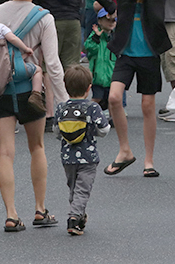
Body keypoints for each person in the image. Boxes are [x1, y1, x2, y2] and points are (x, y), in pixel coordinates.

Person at [0, 0, 69, 230]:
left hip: (0, 90)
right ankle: (40, 209)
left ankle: (11, 214)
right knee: (36, 147)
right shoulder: (44, 18)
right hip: (30, 91)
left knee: (5, 152)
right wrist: (64, 102)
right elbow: (53, 64)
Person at [105, 0, 172, 178]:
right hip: (126, 53)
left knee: (147, 106)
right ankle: (125, 150)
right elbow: (107, 2)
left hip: (149, 54)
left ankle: (149, 160)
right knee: (113, 97)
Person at [55, 64, 110, 236]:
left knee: (74, 188)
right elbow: (104, 130)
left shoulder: (61, 108)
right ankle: (74, 217)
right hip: (88, 157)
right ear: (89, 88)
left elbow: (57, 132)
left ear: (65, 87)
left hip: (67, 157)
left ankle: (79, 215)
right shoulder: (92, 108)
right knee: (83, 189)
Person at [83, 9, 118, 110]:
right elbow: (90, 48)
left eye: (113, 21)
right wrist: (96, 37)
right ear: (99, 21)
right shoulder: (95, 36)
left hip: (111, 77)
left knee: (111, 100)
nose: (111, 23)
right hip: (97, 77)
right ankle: (87, 113)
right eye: (107, 20)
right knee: (97, 98)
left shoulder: (115, 36)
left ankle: (112, 119)